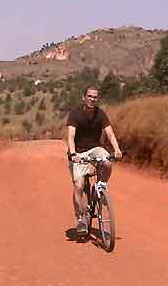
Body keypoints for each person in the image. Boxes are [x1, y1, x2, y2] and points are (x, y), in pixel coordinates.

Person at [67, 85, 122, 234]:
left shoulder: (100, 114)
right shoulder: (75, 114)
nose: (92, 99)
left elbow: (110, 133)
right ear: (83, 97)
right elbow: (71, 136)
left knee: (108, 161)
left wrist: (116, 149)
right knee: (78, 186)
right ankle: (81, 219)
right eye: (89, 96)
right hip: (78, 152)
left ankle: (102, 185)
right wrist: (73, 154)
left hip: (95, 149)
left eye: (95, 97)